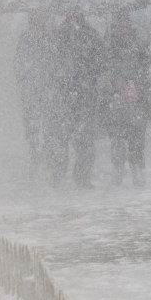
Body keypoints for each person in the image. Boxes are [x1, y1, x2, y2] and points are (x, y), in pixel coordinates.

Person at [44, 12, 106, 188]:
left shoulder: (91, 35)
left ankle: (82, 176)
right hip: (64, 95)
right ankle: (57, 175)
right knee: (60, 137)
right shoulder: (59, 35)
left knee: (84, 137)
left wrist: (89, 60)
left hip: (85, 95)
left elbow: (102, 63)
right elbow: (51, 62)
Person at [99, 13, 151, 187]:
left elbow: (150, 67)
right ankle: (118, 166)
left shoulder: (140, 45)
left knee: (136, 136)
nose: (122, 30)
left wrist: (139, 81)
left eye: (125, 26)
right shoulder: (107, 46)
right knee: (117, 137)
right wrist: (112, 82)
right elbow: (102, 71)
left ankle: (136, 167)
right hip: (116, 99)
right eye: (119, 26)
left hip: (136, 98)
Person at [13, 9, 52, 178]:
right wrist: (24, 77)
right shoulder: (27, 37)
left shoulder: (50, 37)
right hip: (33, 87)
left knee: (47, 122)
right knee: (33, 123)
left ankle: (44, 153)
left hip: (44, 86)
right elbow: (19, 61)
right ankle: (36, 152)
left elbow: (54, 59)